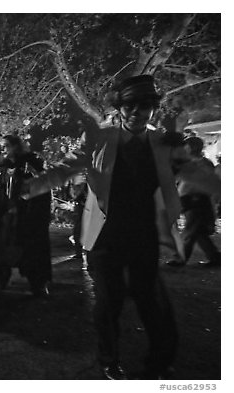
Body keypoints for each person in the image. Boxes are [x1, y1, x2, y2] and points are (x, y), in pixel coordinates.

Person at [22, 75, 215, 380]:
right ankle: (109, 359)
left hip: (144, 234)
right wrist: (31, 187)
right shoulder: (100, 139)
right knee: (108, 301)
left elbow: (195, 173)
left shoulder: (163, 144)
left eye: (145, 106)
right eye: (130, 106)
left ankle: (159, 364)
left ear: (154, 109)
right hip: (106, 235)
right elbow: (65, 168)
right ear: (120, 108)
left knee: (151, 300)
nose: (137, 112)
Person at [0, 134, 52, 297]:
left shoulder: (30, 163)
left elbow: (42, 186)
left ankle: (38, 282)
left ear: (15, 147)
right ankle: (0, 278)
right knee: (4, 246)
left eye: (6, 146)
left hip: (28, 215)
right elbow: (4, 189)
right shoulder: (6, 166)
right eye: (2, 146)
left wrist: (25, 203)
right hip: (9, 216)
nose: (3, 149)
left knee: (32, 249)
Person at [166, 136, 220, 267]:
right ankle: (215, 257)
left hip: (197, 199)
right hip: (189, 199)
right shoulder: (187, 163)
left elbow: (205, 181)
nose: (184, 149)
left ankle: (180, 258)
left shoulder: (202, 163)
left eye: (186, 146)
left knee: (190, 230)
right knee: (198, 232)